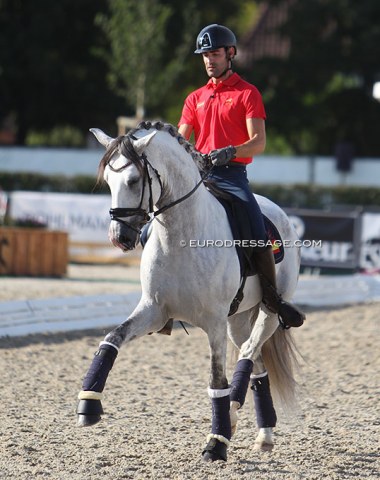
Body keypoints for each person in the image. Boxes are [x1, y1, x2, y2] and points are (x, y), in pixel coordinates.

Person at [178, 24, 304, 328]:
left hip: (231, 176)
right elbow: (181, 141)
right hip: (198, 176)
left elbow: (258, 142)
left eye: (215, 53)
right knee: (153, 224)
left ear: (230, 53)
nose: (209, 60)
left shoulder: (248, 93)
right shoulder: (194, 98)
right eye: (205, 55)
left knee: (254, 227)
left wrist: (231, 151)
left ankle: (272, 297)